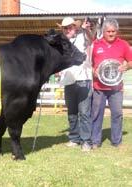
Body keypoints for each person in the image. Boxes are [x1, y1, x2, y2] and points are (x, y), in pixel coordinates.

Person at [91, 18, 132, 149]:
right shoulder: (95, 44)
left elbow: (131, 61)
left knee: (117, 114)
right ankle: (95, 141)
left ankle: (116, 141)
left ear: (117, 31)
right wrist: (93, 71)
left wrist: (126, 66)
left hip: (116, 87)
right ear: (103, 31)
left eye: (113, 31)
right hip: (99, 87)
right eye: (108, 31)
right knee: (96, 114)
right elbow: (88, 64)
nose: (111, 34)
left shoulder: (123, 44)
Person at [58, 17, 94, 151]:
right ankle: (74, 139)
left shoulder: (83, 36)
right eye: (65, 28)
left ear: (75, 27)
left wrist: (86, 30)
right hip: (68, 80)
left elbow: (92, 39)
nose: (68, 30)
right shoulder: (63, 43)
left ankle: (86, 141)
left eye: (70, 27)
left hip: (83, 79)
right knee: (72, 113)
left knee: (84, 113)